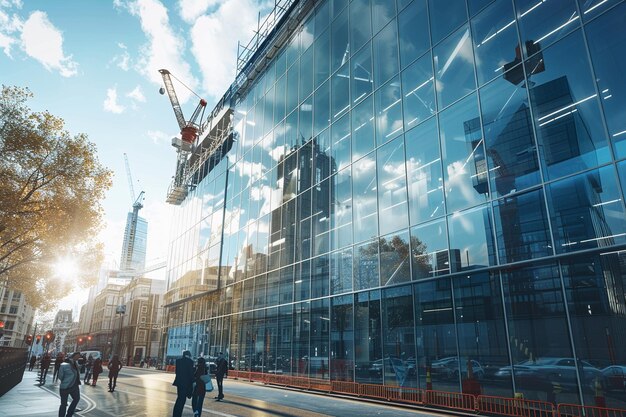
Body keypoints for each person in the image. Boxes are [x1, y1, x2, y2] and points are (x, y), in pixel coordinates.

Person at [58, 351, 81, 417]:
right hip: (66, 386)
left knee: (76, 398)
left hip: (74, 386)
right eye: (78, 356)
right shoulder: (65, 364)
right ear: (75, 355)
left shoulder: (75, 363)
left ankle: (69, 414)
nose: (79, 357)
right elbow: (60, 376)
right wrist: (66, 381)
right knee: (64, 404)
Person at [172, 350, 194, 417]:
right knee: (182, 400)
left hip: (179, 383)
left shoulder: (178, 361)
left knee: (179, 398)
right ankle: (178, 415)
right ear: (188, 355)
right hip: (186, 384)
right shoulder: (190, 362)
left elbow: (177, 372)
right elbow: (191, 374)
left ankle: (175, 414)